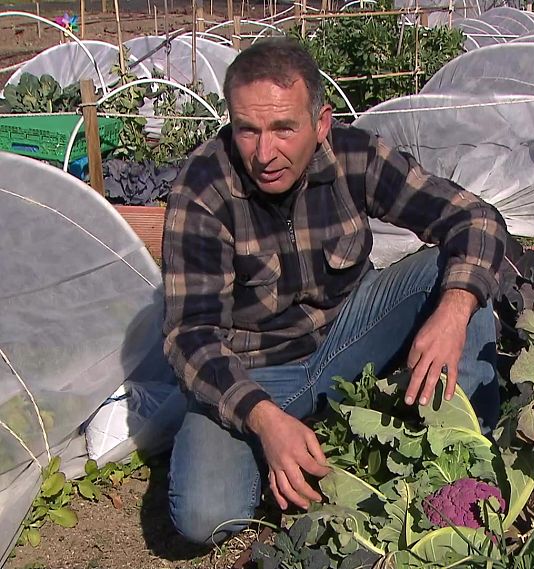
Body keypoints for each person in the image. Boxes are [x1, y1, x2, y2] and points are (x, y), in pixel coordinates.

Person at [161, 38, 507, 545]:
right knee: (205, 517)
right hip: (254, 371)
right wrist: (263, 419)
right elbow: (188, 335)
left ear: (321, 123)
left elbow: (474, 217)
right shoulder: (204, 189)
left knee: (455, 272)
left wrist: (453, 312)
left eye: (284, 128)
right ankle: (291, 439)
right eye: (247, 130)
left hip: (348, 340)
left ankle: (468, 462)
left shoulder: (353, 155)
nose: (264, 153)